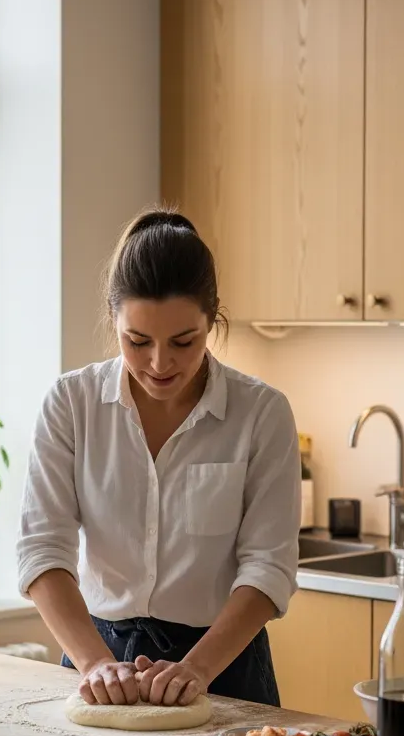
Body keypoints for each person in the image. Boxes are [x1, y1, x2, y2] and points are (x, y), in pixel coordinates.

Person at [16, 207, 300, 708]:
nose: (160, 362)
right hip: (96, 659)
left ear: (212, 320)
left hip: (224, 664)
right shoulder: (72, 403)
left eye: (183, 341)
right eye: (138, 341)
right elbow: (43, 550)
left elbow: (268, 567)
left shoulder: (262, 412)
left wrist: (197, 668)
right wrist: (94, 662)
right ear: (113, 320)